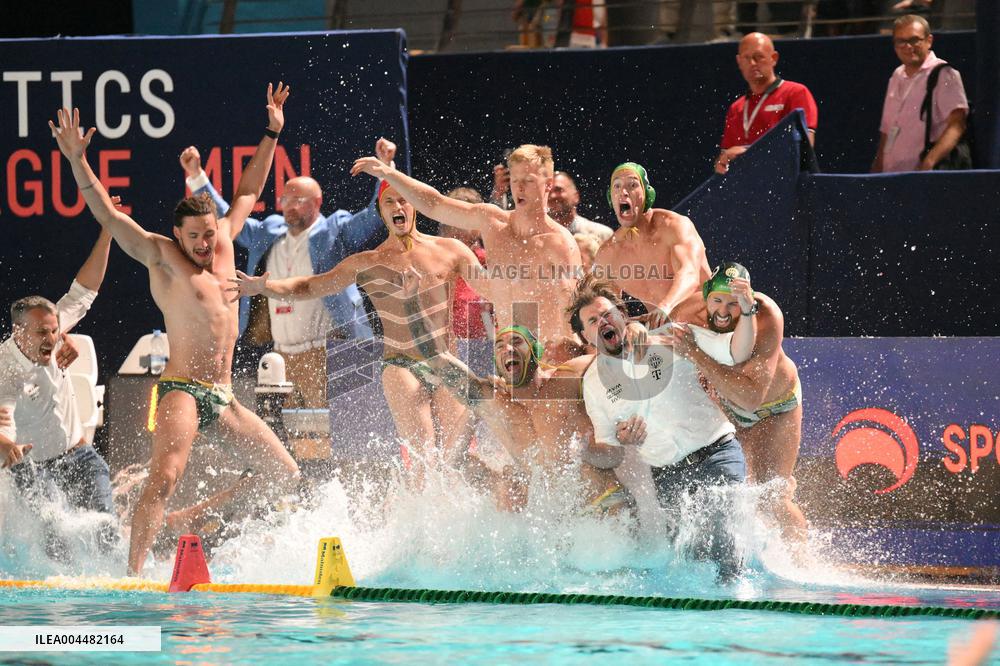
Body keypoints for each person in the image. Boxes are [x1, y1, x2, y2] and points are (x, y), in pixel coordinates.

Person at [49, 84, 301, 575]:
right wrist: (78, 161)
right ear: (178, 235)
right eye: (196, 237)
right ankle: (134, 574)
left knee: (284, 474)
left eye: (209, 232)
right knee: (164, 476)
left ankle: (192, 520)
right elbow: (106, 212)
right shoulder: (161, 257)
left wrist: (272, 131)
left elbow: (248, 189)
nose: (206, 243)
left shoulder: (226, 240)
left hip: (224, 396)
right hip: (182, 390)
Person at [230, 180, 495, 487]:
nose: (398, 207)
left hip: (446, 360)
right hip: (402, 366)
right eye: (389, 203)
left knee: (456, 457)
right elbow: (311, 285)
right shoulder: (370, 262)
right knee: (424, 457)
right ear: (381, 213)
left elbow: (494, 288)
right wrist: (265, 287)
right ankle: (421, 513)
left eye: (403, 200)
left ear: (415, 206)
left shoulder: (451, 251)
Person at [180, 139, 394, 459]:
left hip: (329, 352)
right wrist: (197, 176)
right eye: (285, 198)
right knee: (294, 442)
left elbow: (372, 216)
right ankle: (304, 498)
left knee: (345, 438)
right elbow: (226, 219)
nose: (289, 205)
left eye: (298, 199)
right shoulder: (269, 231)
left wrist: (384, 170)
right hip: (283, 359)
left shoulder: (334, 231)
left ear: (317, 202)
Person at [397, 267, 633, 514]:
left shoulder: (569, 378)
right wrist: (411, 303)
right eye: (499, 346)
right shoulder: (494, 403)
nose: (506, 349)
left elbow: (618, 353)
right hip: (563, 526)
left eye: (516, 342)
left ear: (536, 353)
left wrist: (632, 329)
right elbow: (436, 357)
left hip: (607, 504)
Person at [568, 274, 751, 581]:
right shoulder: (593, 383)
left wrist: (746, 312)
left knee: (726, 544)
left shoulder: (671, 338)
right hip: (667, 475)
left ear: (623, 316)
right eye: (592, 321)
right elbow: (610, 453)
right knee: (691, 560)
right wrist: (612, 445)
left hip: (717, 453)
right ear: (585, 337)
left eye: (607, 314)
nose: (602, 322)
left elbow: (736, 350)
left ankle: (739, 611)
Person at [351, 145, 584, 361]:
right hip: (511, 363)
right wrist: (388, 173)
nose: (519, 188)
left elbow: (573, 308)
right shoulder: (493, 223)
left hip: (553, 361)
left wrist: (575, 356)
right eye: (514, 180)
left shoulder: (560, 244)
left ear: (548, 184)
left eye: (528, 181)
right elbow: (435, 204)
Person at [672, 262, 808, 542]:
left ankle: (802, 564)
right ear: (706, 294)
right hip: (726, 410)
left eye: (734, 304)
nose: (723, 312)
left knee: (774, 495)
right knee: (737, 495)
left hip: (775, 408)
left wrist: (696, 355)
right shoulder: (685, 313)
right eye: (717, 301)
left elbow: (750, 398)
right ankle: (751, 559)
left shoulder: (766, 314)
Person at [0, 229, 113, 550]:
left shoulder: (53, 335)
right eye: (42, 333)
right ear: (18, 332)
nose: (51, 338)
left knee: (107, 533)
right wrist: (7, 445)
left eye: (54, 330)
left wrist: (106, 231)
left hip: (79, 455)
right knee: (57, 541)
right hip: (32, 467)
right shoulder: (5, 370)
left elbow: (85, 290)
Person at [591, 162, 711, 329]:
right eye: (616, 186)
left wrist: (665, 307)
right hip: (668, 337)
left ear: (648, 194)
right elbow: (604, 309)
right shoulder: (609, 254)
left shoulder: (674, 227)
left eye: (632, 185)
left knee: (678, 316)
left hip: (709, 323)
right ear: (610, 198)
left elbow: (690, 274)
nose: (623, 192)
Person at [872, 14, 969, 173]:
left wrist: (928, 164)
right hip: (892, 176)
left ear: (929, 40)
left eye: (914, 40)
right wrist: (877, 169)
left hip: (924, 179)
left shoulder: (944, 74)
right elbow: (886, 131)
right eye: (901, 41)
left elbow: (957, 125)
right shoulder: (896, 75)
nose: (908, 46)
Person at [715, 32, 818, 174]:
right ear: (739, 62)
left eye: (759, 57)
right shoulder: (736, 108)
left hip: (790, 188)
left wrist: (747, 152)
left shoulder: (796, 93)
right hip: (749, 190)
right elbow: (725, 160)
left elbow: (801, 150)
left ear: (774, 58)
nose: (752, 63)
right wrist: (722, 163)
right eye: (747, 58)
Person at [549, 172, 613, 241]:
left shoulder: (602, 235)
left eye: (558, 190)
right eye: (548, 192)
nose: (552, 196)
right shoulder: (538, 238)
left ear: (576, 196)